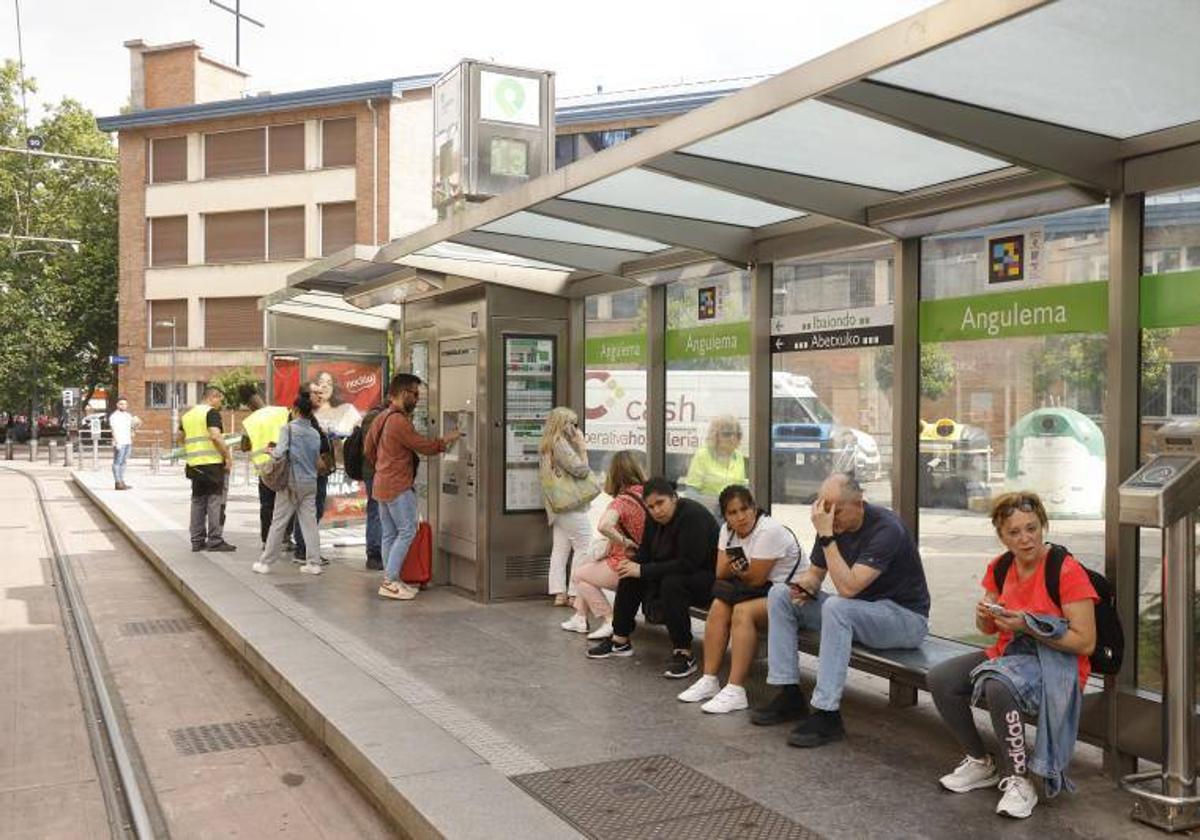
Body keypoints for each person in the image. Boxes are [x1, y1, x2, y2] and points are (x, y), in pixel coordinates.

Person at [927, 492, 1097, 820]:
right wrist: (985, 613)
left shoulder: (1066, 570)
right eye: (1014, 532)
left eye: (1032, 528)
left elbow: (1086, 642)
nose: (1025, 539)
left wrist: (1029, 626)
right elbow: (988, 628)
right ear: (1001, 536)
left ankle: (1019, 780)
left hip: (1057, 664)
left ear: (1044, 526)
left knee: (997, 684)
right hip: (1011, 654)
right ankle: (981, 762)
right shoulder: (1003, 565)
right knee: (941, 678)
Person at [752, 472, 929, 747]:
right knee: (779, 594)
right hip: (861, 613)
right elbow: (815, 574)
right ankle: (788, 693)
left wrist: (826, 537)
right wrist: (806, 587)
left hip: (904, 620)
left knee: (838, 605)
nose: (830, 517)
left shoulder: (887, 529)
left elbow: (848, 588)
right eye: (825, 508)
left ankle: (827, 713)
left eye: (837, 510)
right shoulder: (831, 527)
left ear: (859, 503)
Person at [678, 485, 805, 713]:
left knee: (742, 612)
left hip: (791, 596)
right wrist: (741, 567)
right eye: (732, 512)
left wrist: (737, 566)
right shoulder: (727, 531)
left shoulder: (768, 531)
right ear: (725, 516)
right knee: (718, 606)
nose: (741, 517)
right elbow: (720, 572)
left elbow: (756, 579)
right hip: (761, 592)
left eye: (745, 509)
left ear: (754, 508)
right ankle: (709, 679)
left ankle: (735, 689)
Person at [586, 477, 720, 679]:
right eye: (651, 507)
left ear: (673, 498)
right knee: (630, 573)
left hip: (705, 577)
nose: (656, 510)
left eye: (661, 503)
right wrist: (633, 566)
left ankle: (683, 652)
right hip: (672, 570)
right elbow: (646, 553)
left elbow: (688, 563)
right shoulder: (654, 519)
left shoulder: (693, 516)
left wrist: (643, 570)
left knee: (671, 583)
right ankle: (620, 640)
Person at [365, 373, 460, 600]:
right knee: (408, 531)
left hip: (382, 484)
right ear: (402, 393)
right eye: (415, 394)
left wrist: (383, 466)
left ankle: (392, 579)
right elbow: (423, 446)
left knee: (389, 534)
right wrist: (445, 441)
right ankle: (390, 581)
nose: (417, 399)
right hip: (398, 486)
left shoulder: (382, 417)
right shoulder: (398, 421)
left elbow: (368, 448)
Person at [561, 450, 648, 639]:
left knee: (579, 575)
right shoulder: (648, 495)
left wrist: (624, 541)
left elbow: (604, 526)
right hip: (647, 560)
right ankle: (580, 616)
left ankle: (610, 619)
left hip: (623, 564)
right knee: (586, 568)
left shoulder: (622, 501)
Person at [252, 392, 325, 576]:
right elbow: (316, 459)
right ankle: (314, 563)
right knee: (310, 524)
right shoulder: (315, 433)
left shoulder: (288, 429)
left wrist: (272, 451)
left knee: (278, 523)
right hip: (310, 483)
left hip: (291, 484)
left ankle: (265, 562)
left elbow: (279, 454)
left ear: (296, 410)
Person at [539, 407, 597, 607]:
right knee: (584, 545)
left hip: (557, 506)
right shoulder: (560, 444)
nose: (574, 428)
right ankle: (574, 593)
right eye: (571, 424)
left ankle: (558, 593)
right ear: (562, 425)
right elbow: (581, 470)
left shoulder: (547, 444)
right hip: (570, 505)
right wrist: (582, 447)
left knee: (560, 549)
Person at [181, 387, 236, 553]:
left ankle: (197, 540)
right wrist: (227, 456)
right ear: (213, 397)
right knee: (215, 501)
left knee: (197, 501)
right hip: (212, 464)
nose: (221, 404)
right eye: (220, 400)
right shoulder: (211, 413)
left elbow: (180, 438)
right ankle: (215, 540)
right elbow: (214, 436)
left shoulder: (187, 415)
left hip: (194, 465)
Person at [240, 392, 290, 548]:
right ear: (263, 399)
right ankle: (286, 538)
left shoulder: (249, 421)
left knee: (267, 505)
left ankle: (266, 540)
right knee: (287, 504)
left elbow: (244, 446)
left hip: (265, 469)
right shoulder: (283, 411)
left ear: (249, 406)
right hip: (283, 464)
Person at [292, 380, 333, 565]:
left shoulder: (312, 419)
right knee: (310, 512)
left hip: (315, 473)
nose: (320, 395)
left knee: (311, 512)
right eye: (315, 393)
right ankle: (304, 550)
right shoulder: (300, 421)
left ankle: (304, 548)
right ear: (305, 397)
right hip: (312, 474)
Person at [682, 416, 747, 505]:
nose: (733, 437)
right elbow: (691, 493)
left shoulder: (738, 456)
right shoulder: (702, 455)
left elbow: (741, 488)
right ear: (715, 435)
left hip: (732, 514)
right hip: (707, 513)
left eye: (738, 434)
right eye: (727, 434)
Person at [359, 399, 387, 571]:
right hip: (374, 471)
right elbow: (370, 448)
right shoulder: (374, 417)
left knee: (378, 510)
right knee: (376, 510)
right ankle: (374, 553)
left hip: (378, 471)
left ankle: (379, 551)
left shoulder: (383, 416)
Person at [311, 370, 362, 437]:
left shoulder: (348, 409)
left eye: (329, 383)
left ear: (333, 388)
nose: (325, 386)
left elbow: (362, 433)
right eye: (320, 382)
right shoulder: (309, 415)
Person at [108, 396, 142, 490]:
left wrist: (136, 425)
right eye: (121, 404)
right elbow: (113, 430)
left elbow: (132, 427)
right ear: (117, 405)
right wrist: (116, 442)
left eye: (125, 404)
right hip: (119, 442)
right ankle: (117, 482)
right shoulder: (114, 416)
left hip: (128, 442)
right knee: (117, 462)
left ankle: (122, 481)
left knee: (123, 462)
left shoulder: (128, 415)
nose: (124, 405)